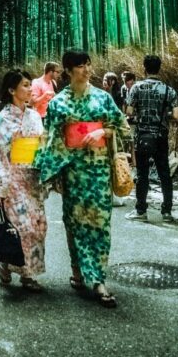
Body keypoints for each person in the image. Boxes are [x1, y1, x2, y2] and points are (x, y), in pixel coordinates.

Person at [36, 50, 128, 308]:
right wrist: (51, 173)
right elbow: (51, 138)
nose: (87, 69)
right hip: (73, 171)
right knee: (74, 222)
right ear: (68, 70)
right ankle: (77, 269)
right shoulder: (58, 103)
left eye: (88, 64)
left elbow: (122, 127)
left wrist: (102, 130)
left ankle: (98, 279)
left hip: (98, 170)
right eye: (80, 66)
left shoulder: (102, 97)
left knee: (100, 224)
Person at [0, 69, 48, 292]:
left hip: (33, 178)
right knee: (21, 228)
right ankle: (11, 266)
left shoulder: (34, 115)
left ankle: (27, 273)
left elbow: (42, 146)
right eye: (26, 85)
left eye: (30, 85)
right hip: (12, 180)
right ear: (12, 90)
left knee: (38, 226)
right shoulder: (2, 119)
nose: (30, 89)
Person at [126, 55, 178, 223]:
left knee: (142, 174)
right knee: (164, 174)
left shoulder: (136, 88)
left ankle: (141, 211)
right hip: (160, 136)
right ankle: (167, 212)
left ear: (144, 68)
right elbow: (176, 116)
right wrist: (164, 115)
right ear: (159, 68)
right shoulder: (168, 90)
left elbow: (128, 112)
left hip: (142, 136)